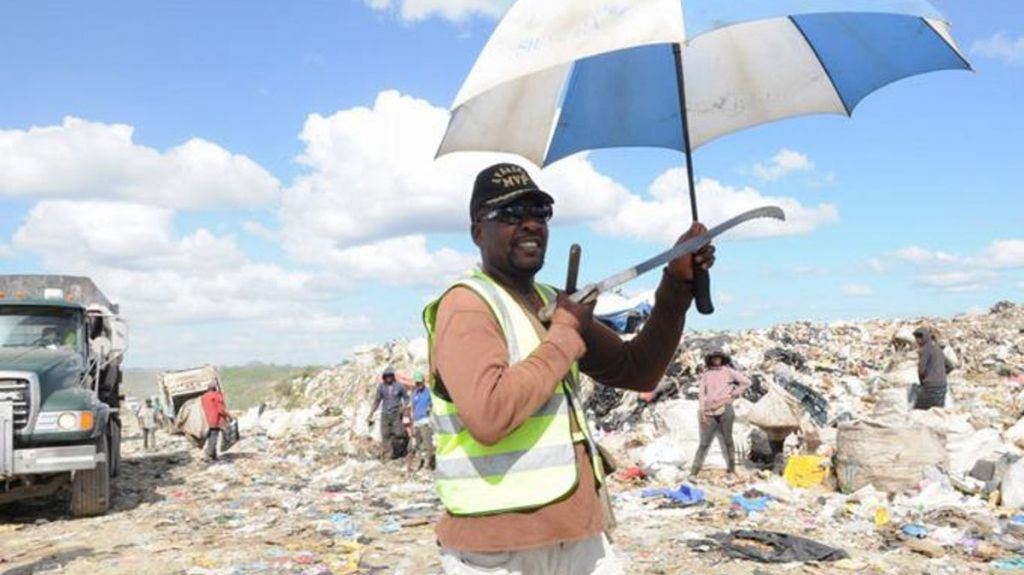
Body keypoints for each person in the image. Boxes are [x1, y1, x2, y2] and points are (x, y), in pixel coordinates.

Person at [422, 163, 715, 574]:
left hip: (575, 535)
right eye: (509, 214)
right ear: (477, 233)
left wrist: (676, 285)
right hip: (500, 549)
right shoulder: (468, 305)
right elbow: (488, 416)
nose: (529, 224)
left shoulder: (552, 301)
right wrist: (564, 332)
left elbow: (638, 370)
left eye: (539, 212)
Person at [690, 347, 751, 477]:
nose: (716, 360)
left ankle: (732, 468)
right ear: (711, 360)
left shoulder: (728, 371)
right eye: (714, 358)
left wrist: (732, 395)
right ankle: (694, 471)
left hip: (725, 409)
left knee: (728, 440)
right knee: (704, 443)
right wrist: (702, 410)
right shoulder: (706, 374)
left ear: (722, 359)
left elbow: (746, 383)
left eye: (719, 358)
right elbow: (701, 393)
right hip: (709, 411)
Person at [367, 367, 409, 461]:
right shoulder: (381, 387)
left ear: (393, 376)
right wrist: (371, 413)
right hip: (385, 413)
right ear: (384, 377)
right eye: (387, 376)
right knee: (385, 435)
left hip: (396, 413)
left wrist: (404, 407)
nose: (388, 378)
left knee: (398, 433)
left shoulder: (399, 386)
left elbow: (406, 398)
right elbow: (377, 400)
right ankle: (388, 456)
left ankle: (402, 446)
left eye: (390, 376)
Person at [913, 327, 948, 410]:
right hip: (942, 386)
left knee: (919, 411)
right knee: (938, 412)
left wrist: (924, 381)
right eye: (916, 338)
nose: (918, 340)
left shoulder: (925, 349)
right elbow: (950, 366)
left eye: (919, 338)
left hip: (930, 387)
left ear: (925, 337)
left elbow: (921, 370)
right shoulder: (938, 349)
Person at [408, 370, 435, 472]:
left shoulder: (428, 392)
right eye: (417, 383)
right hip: (417, 421)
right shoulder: (414, 393)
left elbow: (432, 404)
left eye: (420, 382)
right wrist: (412, 423)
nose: (419, 385)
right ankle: (420, 462)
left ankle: (428, 463)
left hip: (425, 420)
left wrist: (429, 409)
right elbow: (413, 408)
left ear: (423, 381)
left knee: (427, 442)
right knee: (418, 444)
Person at [200, 382, 231, 461]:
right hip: (216, 419)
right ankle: (209, 454)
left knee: (210, 437)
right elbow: (221, 410)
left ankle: (213, 455)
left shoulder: (204, 397)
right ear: (215, 388)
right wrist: (228, 415)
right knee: (214, 437)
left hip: (206, 420)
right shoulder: (216, 396)